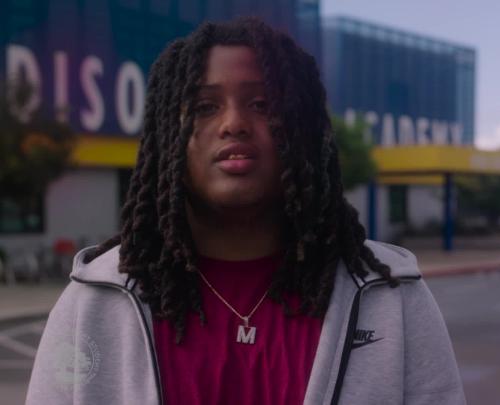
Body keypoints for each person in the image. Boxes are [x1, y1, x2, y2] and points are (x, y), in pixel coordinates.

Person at [26, 17, 465, 405]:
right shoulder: (94, 300)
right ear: (167, 138)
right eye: (204, 107)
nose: (233, 123)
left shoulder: (391, 295)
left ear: (303, 129)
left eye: (262, 105)